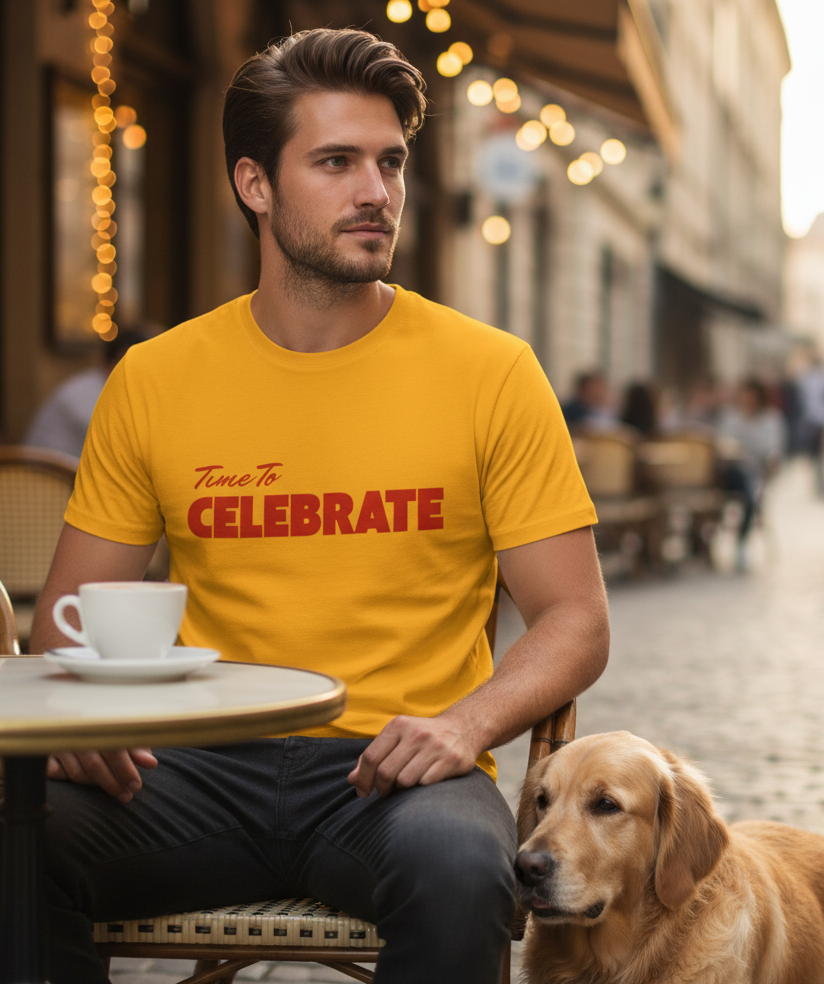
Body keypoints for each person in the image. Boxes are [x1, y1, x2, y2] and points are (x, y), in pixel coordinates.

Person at [29, 29, 609, 984]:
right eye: (336, 162)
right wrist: (80, 723)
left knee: (467, 870)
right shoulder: (156, 378)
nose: (375, 191)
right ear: (255, 184)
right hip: (194, 767)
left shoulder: (492, 372)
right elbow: (65, 619)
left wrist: (465, 724)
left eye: (389, 162)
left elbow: (577, 619)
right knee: (17, 834)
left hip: (399, 771)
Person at [24, 330, 150, 459]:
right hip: (50, 475)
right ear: (122, 359)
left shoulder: (106, 385)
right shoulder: (87, 393)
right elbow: (122, 443)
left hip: (67, 471)